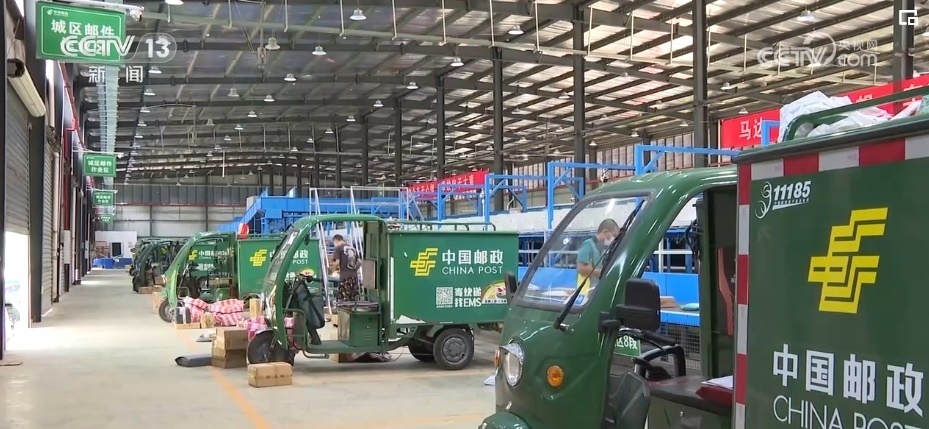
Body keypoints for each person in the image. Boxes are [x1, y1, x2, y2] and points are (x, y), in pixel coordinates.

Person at [575, 218, 620, 295]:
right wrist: (603, 272)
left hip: (597, 292)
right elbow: (581, 269)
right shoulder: (588, 245)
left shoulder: (604, 249)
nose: (614, 239)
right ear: (605, 232)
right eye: (614, 235)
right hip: (586, 293)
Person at [331, 234, 361, 303]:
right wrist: (354, 270)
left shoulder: (338, 248)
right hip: (354, 277)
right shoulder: (352, 248)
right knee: (353, 299)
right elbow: (359, 261)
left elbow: (337, 262)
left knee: (344, 300)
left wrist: (332, 270)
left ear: (336, 241)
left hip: (345, 277)